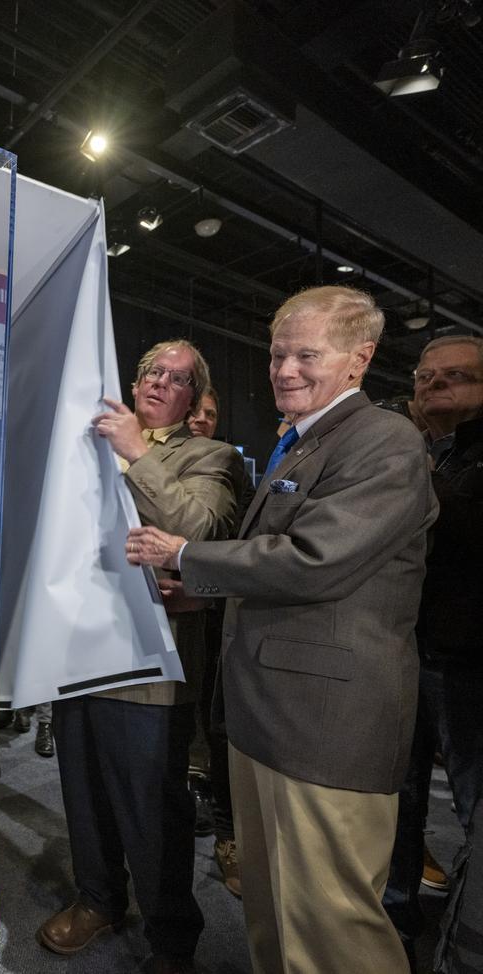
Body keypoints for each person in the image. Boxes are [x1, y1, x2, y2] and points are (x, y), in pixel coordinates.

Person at [127, 286, 438, 974]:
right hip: (270, 718)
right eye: (277, 353)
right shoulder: (303, 442)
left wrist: (182, 555)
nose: (285, 369)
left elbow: (314, 559)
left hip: (328, 729)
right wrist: (204, 584)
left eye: (306, 354)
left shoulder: (384, 439)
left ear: (360, 359)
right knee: (273, 914)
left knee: (331, 931)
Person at [36, 340, 245, 974]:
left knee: (151, 808)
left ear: (193, 396)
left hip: (149, 663)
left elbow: (202, 531)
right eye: (153, 372)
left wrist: (134, 451)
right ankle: (99, 899)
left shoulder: (213, 455)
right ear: (135, 380)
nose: (160, 384)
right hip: (77, 648)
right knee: (84, 792)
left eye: (178, 379)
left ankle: (171, 938)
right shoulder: (87, 441)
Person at [383, 335, 483, 968]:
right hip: (404, 649)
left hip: (469, 663)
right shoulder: (427, 450)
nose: (433, 385)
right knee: (399, 794)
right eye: (424, 375)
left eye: (456, 376)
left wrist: (408, 467)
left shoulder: (443, 461)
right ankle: (394, 916)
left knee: (474, 810)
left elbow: (465, 528)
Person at [184, 387, 243, 896]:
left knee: (216, 729)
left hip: (216, 616)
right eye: (197, 411)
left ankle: (228, 838)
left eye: (212, 412)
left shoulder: (222, 463)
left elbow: (210, 535)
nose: (202, 419)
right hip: (180, 617)